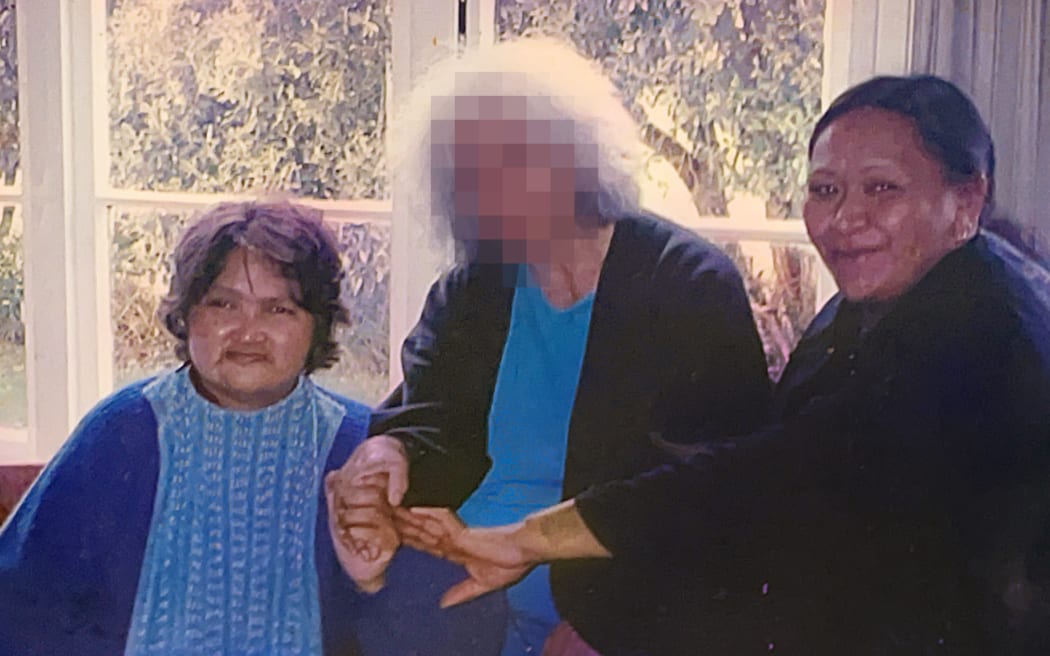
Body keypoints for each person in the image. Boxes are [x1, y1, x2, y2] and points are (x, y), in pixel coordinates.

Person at [394, 74, 1050, 655]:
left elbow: (758, 478)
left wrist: (535, 543)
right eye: (826, 189)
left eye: (883, 188)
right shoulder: (893, 296)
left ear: (966, 203)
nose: (848, 218)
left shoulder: (983, 337)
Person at [325, 38, 773, 656]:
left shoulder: (684, 283)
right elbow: (429, 416)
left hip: (607, 598)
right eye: (470, 172)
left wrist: (611, 624)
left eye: (517, 159)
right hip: (453, 585)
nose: (494, 189)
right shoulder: (473, 287)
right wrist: (388, 450)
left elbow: (708, 491)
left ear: (578, 157)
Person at [0, 200, 376, 655]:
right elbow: (23, 607)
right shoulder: (122, 432)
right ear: (187, 314)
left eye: (279, 310)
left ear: (318, 327)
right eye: (223, 304)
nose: (248, 331)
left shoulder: (361, 447)